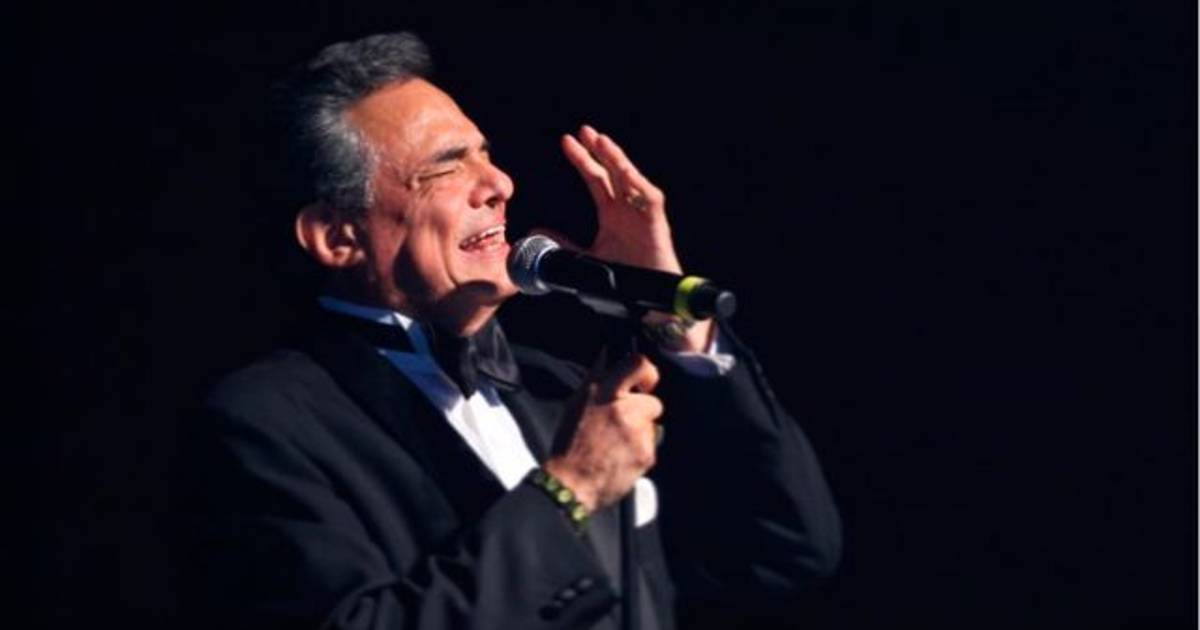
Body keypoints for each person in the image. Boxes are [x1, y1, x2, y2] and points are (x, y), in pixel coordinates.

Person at [175, 31, 841, 630]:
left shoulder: (560, 391)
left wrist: (673, 321)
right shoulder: (267, 421)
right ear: (337, 236)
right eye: (446, 166)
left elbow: (784, 548)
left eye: (486, 156)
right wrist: (570, 489)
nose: (499, 183)